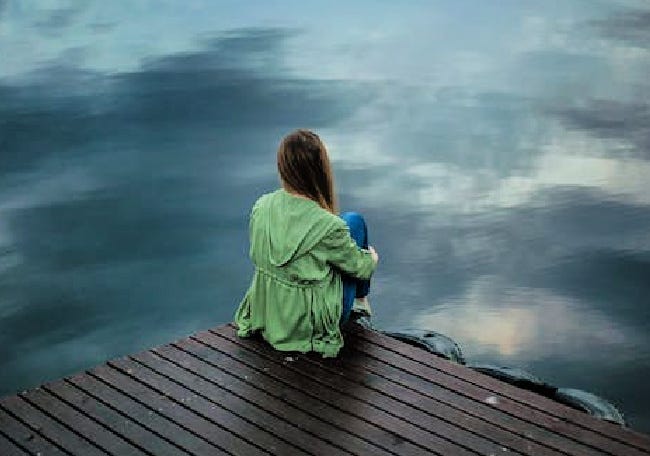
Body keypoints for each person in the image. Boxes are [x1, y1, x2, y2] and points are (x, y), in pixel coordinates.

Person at [234, 129, 379, 357]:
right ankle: (360, 302)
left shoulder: (261, 206)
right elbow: (361, 268)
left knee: (345, 226)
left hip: (271, 313)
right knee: (354, 222)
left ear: (282, 167)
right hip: (306, 326)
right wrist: (371, 259)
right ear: (320, 169)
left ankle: (357, 300)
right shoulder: (328, 226)